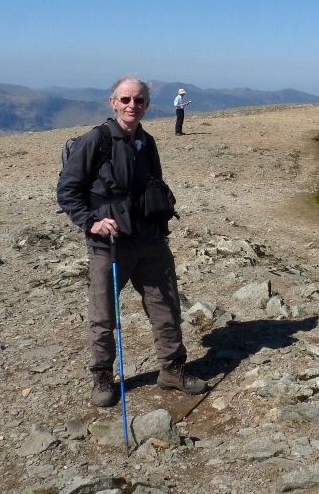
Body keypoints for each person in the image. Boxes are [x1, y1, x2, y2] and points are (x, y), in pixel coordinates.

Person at [57, 75, 207, 408]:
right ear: (113, 102)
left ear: (147, 105)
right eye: (125, 99)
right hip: (109, 242)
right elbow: (67, 191)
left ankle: (171, 368)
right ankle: (102, 376)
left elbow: (154, 185)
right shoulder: (95, 140)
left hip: (150, 239)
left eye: (138, 100)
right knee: (103, 314)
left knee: (165, 306)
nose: (131, 105)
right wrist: (91, 222)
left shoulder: (147, 141)